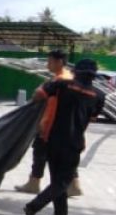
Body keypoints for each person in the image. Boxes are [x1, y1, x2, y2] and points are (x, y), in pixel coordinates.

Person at [23, 58, 104, 215]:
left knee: (57, 179)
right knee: (63, 181)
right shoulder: (99, 95)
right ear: (93, 75)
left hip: (52, 139)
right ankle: (33, 206)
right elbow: (93, 118)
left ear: (76, 72)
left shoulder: (62, 84)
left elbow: (39, 94)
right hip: (73, 142)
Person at [15, 49, 79, 196]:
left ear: (59, 62)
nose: (47, 64)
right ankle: (74, 185)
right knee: (65, 157)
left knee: (40, 152)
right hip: (64, 126)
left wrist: (41, 88)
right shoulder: (70, 77)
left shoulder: (59, 79)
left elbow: (38, 95)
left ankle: (34, 183)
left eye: (49, 61)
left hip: (49, 124)